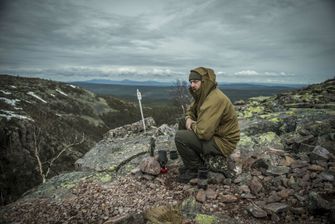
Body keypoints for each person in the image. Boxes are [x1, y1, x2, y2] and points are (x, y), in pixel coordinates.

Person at [174, 67, 240, 183]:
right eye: (191, 82)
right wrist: (189, 118)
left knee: (180, 137)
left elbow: (203, 133)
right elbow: (191, 110)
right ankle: (192, 160)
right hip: (215, 134)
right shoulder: (203, 94)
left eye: (195, 82)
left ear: (204, 82)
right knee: (182, 122)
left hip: (223, 141)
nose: (192, 85)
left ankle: (196, 169)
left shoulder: (214, 99)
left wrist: (193, 124)